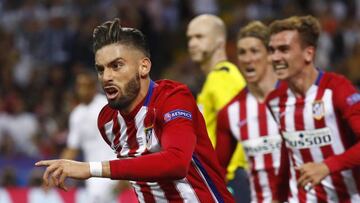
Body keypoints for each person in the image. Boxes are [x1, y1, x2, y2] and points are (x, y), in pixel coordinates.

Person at [35, 18, 235, 203]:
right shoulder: (107, 121)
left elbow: (176, 162)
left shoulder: (172, 98)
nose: (106, 77)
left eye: (117, 66)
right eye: (101, 69)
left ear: (144, 67)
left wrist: (90, 169)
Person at [266, 15, 360, 202]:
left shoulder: (337, 89)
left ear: (308, 53)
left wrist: (327, 166)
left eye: (284, 49)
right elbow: (288, 154)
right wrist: (277, 197)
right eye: (272, 50)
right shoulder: (275, 101)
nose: (275, 57)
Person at [216, 21, 282, 203]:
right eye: (242, 53)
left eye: (254, 51)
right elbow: (217, 172)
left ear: (270, 54)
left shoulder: (295, 98)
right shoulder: (230, 112)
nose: (247, 59)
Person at [186, 14, 250, 202]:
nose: (192, 43)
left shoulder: (222, 77)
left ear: (220, 41)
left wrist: (228, 174)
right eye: (189, 38)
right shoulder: (214, 80)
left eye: (199, 37)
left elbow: (239, 126)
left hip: (230, 177)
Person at [60, 71, 118, 203]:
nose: (82, 90)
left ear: (93, 87)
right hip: (93, 173)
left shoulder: (107, 106)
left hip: (111, 167)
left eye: (86, 86)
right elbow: (72, 148)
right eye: (79, 86)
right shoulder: (77, 114)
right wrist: (58, 168)